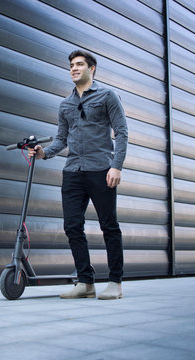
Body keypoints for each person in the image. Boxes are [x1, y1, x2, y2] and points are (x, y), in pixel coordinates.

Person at [29, 49, 128, 300]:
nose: (74, 68)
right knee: (72, 226)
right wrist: (44, 153)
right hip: (73, 171)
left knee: (109, 226)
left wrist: (116, 166)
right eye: (72, 65)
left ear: (91, 69)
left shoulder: (108, 96)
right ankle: (86, 282)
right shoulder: (66, 104)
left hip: (101, 169)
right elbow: (62, 139)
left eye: (79, 64)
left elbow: (122, 132)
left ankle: (115, 282)